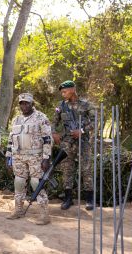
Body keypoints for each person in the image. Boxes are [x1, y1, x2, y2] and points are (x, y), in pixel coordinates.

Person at [6, 93, 51, 225]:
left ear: (32, 104)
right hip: (18, 157)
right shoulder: (16, 120)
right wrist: (8, 156)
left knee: (36, 183)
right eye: (22, 103)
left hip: (35, 157)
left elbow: (47, 139)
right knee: (19, 182)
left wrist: (46, 158)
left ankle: (44, 214)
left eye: (27, 103)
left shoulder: (40, 118)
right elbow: (10, 139)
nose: (24, 105)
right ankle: (18, 210)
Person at [52, 80, 95, 210]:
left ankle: (89, 199)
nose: (63, 94)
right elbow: (54, 122)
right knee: (67, 169)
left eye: (65, 91)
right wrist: (54, 133)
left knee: (86, 169)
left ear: (73, 89)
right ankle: (68, 198)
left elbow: (96, 122)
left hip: (83, 142)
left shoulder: (86, 105)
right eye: (62, 92)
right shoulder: (60, 106)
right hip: (67, 142)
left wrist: (81, 131)